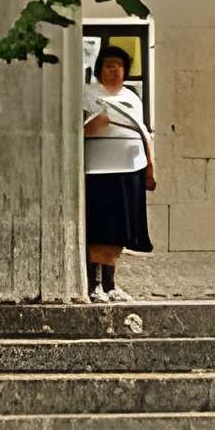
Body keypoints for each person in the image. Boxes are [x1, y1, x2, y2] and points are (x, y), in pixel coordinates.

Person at [82, 45, 154, 298]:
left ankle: (111, 285)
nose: (115, 70)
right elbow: (74, 131)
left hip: (130, 169)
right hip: (99, 171)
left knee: (120, 231)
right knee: (100, 228)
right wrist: (91, 125)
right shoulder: (87, 94)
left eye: (119, 66)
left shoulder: (133, 97)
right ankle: (94, 285)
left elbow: (143, 132)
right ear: (100, 69)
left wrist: (150, 168)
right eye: (109, 65)